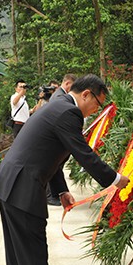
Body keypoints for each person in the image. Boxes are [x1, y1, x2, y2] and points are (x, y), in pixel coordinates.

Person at [0, 74, 129, 265]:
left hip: (10, 181)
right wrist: (116, 180)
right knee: (32, 246)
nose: (96, 110)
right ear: (86, 94)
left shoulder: (58, 104)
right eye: (97, 104)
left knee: (17, 246)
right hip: (22, 184)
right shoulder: (69, 112)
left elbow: (53, 152)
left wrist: (61, 191)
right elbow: (83, 154)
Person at [47, 74, 78, 205]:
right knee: (53, 167)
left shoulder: (58, 94)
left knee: (55, 167)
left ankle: (54, 194)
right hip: (55, 139)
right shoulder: (60, 97)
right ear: (67, 83)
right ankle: (50, 195)